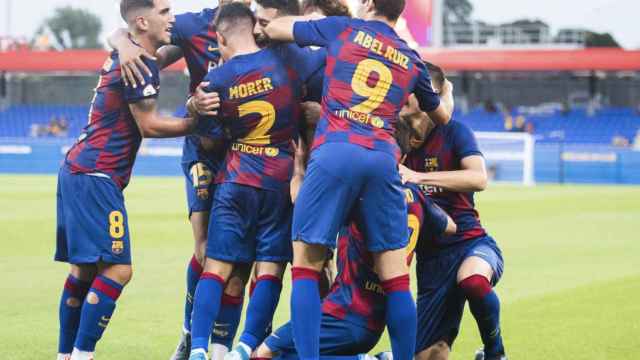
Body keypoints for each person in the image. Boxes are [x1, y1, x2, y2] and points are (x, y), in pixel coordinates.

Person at [263, 1, 454, 359]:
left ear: (367, 3)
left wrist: (297, 20)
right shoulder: (409, 56)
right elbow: (441, 116)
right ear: (399, 11)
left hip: (337, 151)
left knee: (306, 265)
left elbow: (276, 29)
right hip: (383, 159)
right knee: (396, 278)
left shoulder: (342, 29)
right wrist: (449, 94)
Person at [54, 1, 205, 359]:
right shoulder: (138, 63)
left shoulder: (134, 53)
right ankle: (81, 355)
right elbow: (149, 125)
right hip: (97, 174)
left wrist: (122, 38)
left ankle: (66, 355)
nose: (172, 17)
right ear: (143, 20)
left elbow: (159, 49)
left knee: (84, 270)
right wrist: (195, 121)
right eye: (165, 11)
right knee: (118, 270)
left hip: (79, 168)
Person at [107, 1, 252, 359]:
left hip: (246, 150)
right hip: (204, 150)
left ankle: (220, 348)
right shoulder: (190, 25)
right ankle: (190, 334)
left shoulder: (259, 26)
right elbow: (136, 34)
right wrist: (124, 44)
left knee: (239, 262)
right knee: (205, 250)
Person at [187, 4, 325, 360]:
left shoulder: (214, 80)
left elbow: (207, 140)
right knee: (270, 269)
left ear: (219, 37)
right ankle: (246, 346)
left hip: (235, 180)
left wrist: (195, 108)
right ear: (254, 28)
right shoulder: (289, 64)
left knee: (216, 267)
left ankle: (199, 349)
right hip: (279, 183)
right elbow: (322, 62)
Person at [253, 123, 457, 360]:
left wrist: (299, 168)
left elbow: (302, 201)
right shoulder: (416, 195)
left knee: (264, 355)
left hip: (344, 311)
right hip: (378, 317)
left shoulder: (362, 190)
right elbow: (450, 226)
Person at [399, 64, 507, 360]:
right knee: (429, 355)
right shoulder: (397, 139)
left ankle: (495, 353)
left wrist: (419, 177)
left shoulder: (454, 132)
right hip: (432, 261)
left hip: (471, 243)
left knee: (472, 281)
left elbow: (478, 178)